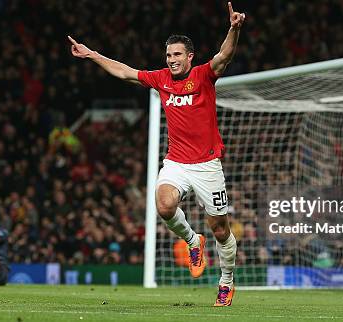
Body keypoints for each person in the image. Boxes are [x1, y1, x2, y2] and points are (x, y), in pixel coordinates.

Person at [68, 2, 245, 306]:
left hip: (207, 165)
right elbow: (124, 72)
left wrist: (234, 28)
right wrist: (93, 54)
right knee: (164, 205)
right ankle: (192, 241)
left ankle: (226, 281)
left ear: (190, 56)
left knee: (220, 228)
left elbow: (225, 55)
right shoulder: (161, 79)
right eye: (168, 55)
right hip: (176, 161)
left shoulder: (204, 75)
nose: (172, 60)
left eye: (177, 55)